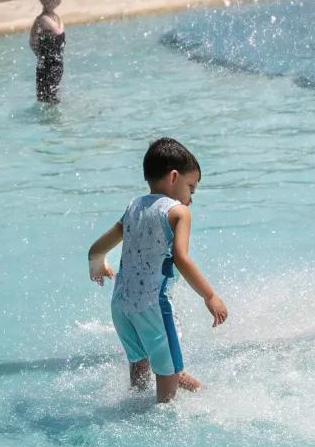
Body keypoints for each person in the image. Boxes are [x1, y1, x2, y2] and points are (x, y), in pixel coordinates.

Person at [88, 136, 227, 404]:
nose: (190, 199)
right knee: (167, 372)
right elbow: (181, 258)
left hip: (121, 304)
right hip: (153, 304)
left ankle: (135, 403)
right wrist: (210, 296)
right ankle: (163, 414)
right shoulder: (178, 212)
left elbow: (95, 250)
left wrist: (98, 266)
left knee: (140, 362)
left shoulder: (133, 207)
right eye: (191, 188)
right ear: (174, 177)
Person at [29, 0, 66, 102]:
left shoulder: (52, 16)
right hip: (48, 64)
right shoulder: (44, 19)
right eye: (57, 0)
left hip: (54, 63)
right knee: (49, 96)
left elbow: (32, 42)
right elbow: (58, 31)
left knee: (52, 95)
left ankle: (51, 120)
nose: (59, 2)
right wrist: (41, 55)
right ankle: (50, 121)